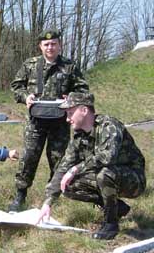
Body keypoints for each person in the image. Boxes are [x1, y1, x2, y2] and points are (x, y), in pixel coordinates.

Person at [36, 92, 146, 240]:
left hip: (133, 179)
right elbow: (63, 166)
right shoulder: (79, 135)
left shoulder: (109, 126)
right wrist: (48, 202)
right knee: (67, 185)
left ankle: (110, 224)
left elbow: (107, 158)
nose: (67, 119)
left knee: (104, 173)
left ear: (84, 110)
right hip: (108, 175)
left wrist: (75, 169)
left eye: (70, 113)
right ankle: (116, 207)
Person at [8, 29, 89, 211]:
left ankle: (52, 197)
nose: (50, 47)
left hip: (60, 122)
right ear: (40, 46)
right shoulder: (30, 65)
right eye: (46, 44)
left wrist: (71, 98)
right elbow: (16, 86)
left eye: (53, 44)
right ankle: (20, 195)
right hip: (36, 122)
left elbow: (83, 90)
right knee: (29, 158)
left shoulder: (69, 66)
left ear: (59, 45)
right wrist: (25, 97)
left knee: (58, 159)